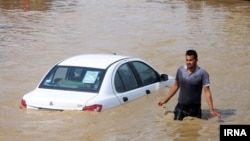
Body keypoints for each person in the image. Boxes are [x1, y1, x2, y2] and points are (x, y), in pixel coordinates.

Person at [158, 49, 221, 120]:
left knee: (195, 129)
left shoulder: (202, 73)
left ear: (196, 60)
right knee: (176, 127)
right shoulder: (180, 70)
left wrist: (211, 109)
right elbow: (176, 86)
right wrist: (165, 100)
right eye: (187, 60)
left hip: (195, 109)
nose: (188, 62)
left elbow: (207, 92)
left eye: (191, 60)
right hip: (181, 107)